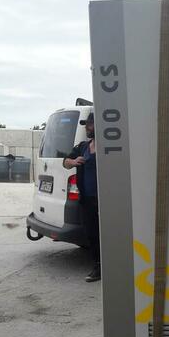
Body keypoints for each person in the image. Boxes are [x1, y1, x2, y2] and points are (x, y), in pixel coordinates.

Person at [63, 113, 101, 282]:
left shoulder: (110, 148)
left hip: (106, 200)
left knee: (109, 233)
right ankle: (98, 266)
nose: (87, 128)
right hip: (87, 200)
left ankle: (114, 265)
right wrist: (73, 162)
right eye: (86, 125)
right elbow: (65, 161)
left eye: (90, 124)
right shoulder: (82, 147)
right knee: (92, 234)